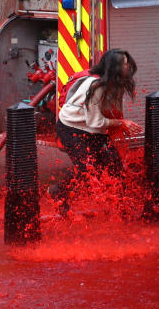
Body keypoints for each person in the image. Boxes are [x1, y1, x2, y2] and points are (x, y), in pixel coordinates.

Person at [50, 49, 143, 213]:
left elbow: (106, 116)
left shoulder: (115, 83)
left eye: (128, 62)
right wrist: (122, 123)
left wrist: (120, 126)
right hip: (71, 128)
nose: (128, 66)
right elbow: (95, 122)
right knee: (86, 167)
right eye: (124, 63)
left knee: (114, 164)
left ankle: (122, 205)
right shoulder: (97, 86)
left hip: (92, 129)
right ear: (113, 67)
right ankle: (58, 193)